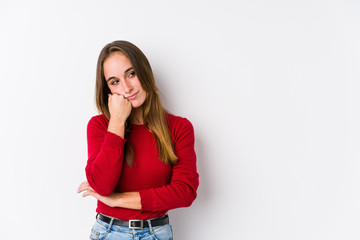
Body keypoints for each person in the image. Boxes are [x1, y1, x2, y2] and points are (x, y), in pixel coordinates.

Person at [77, 40, 199, 240]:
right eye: (115, 82)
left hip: (157, 233)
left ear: (144, 72)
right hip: (109, 233)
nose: (126, 87)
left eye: (131, 74)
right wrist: (117, 121)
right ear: (108, 91)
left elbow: (184, 193)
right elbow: (102, 186)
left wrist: (117, 200)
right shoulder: (100, 126)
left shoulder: (179, 128)